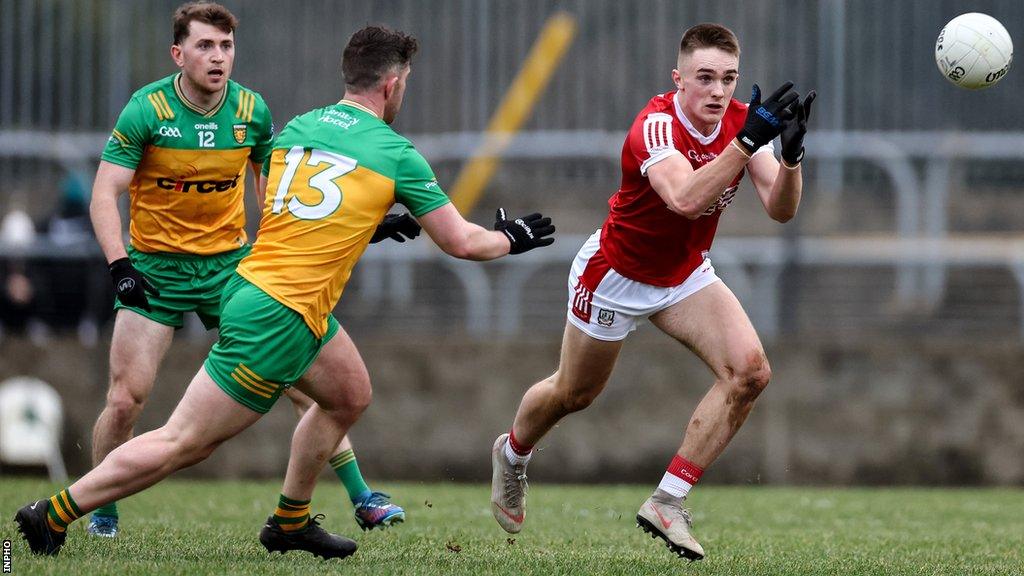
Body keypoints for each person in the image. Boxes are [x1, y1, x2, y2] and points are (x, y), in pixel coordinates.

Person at [15, 23, 555, 558]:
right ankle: (53, 513)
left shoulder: (301, 126)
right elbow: (462, 243)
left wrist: (371, 223)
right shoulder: (394, 152)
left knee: (349, 394)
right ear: (391, 85)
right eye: (406, 82)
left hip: (271, 295)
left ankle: (290, 520)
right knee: (185, 442)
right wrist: (513, 237)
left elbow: (293, 211)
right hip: (276, 313)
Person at [488, 23, 815, 561]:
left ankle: (669, 500)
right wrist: (749, 142)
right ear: (678, 79)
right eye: (705, 77)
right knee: (574, 394)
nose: (718, 91)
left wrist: (791, 157)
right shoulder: (656, 125)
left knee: (750, 372)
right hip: (614, 276)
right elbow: (685, 199)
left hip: (684, 275)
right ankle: (514, 453)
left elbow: (781, 210)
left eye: (729, 79)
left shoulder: (739, 124)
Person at [82, 2, 405, 538]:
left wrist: (363, 225)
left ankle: (362, 496)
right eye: (205, 46)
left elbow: (283, 191)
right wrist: (119, 265)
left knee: (305, 385)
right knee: (125, 399)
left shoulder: (251, 111)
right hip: (154, 270)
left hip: (231, 268)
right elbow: (104, 192)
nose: (218, 57)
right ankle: (102, 512)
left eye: (226, 46)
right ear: (178, 53)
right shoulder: (146, 109)